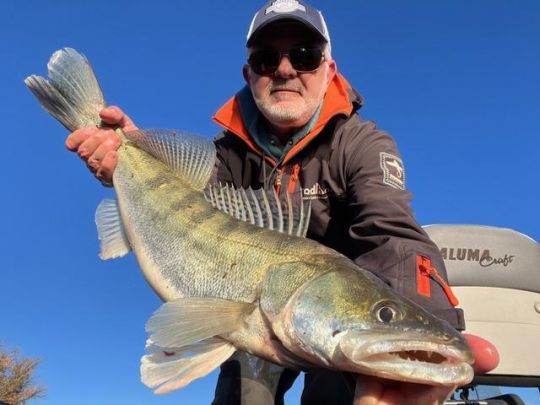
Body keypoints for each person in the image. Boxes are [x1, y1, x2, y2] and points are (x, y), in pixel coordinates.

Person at [65, 1, 498, 404]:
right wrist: (133, 152)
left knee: (337, 391)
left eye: (305, 55)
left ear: (329, 69)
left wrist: (419, 315)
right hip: (259, 312)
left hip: (320, 311)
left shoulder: (361, 143)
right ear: (249, 73)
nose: (285, 70)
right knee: (242, 393)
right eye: (266, 59)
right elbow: (183, 191)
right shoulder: (225, 155)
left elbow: (391, 234)